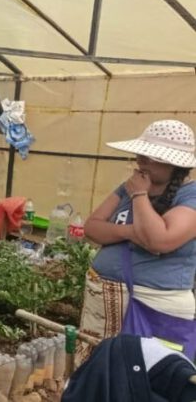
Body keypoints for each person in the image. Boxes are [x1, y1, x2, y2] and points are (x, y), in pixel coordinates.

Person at [77, 119, 196, 364]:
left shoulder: (189, 195)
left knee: (139, 375)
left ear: (174, 163)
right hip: (104, 303)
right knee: (99, 373)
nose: (141, 160)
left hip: (152, 308)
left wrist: (140, 195)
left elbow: (158, 241)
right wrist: (131, 232)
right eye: (141, 153)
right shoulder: (128, 187)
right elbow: (92, 227)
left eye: (150, 156)